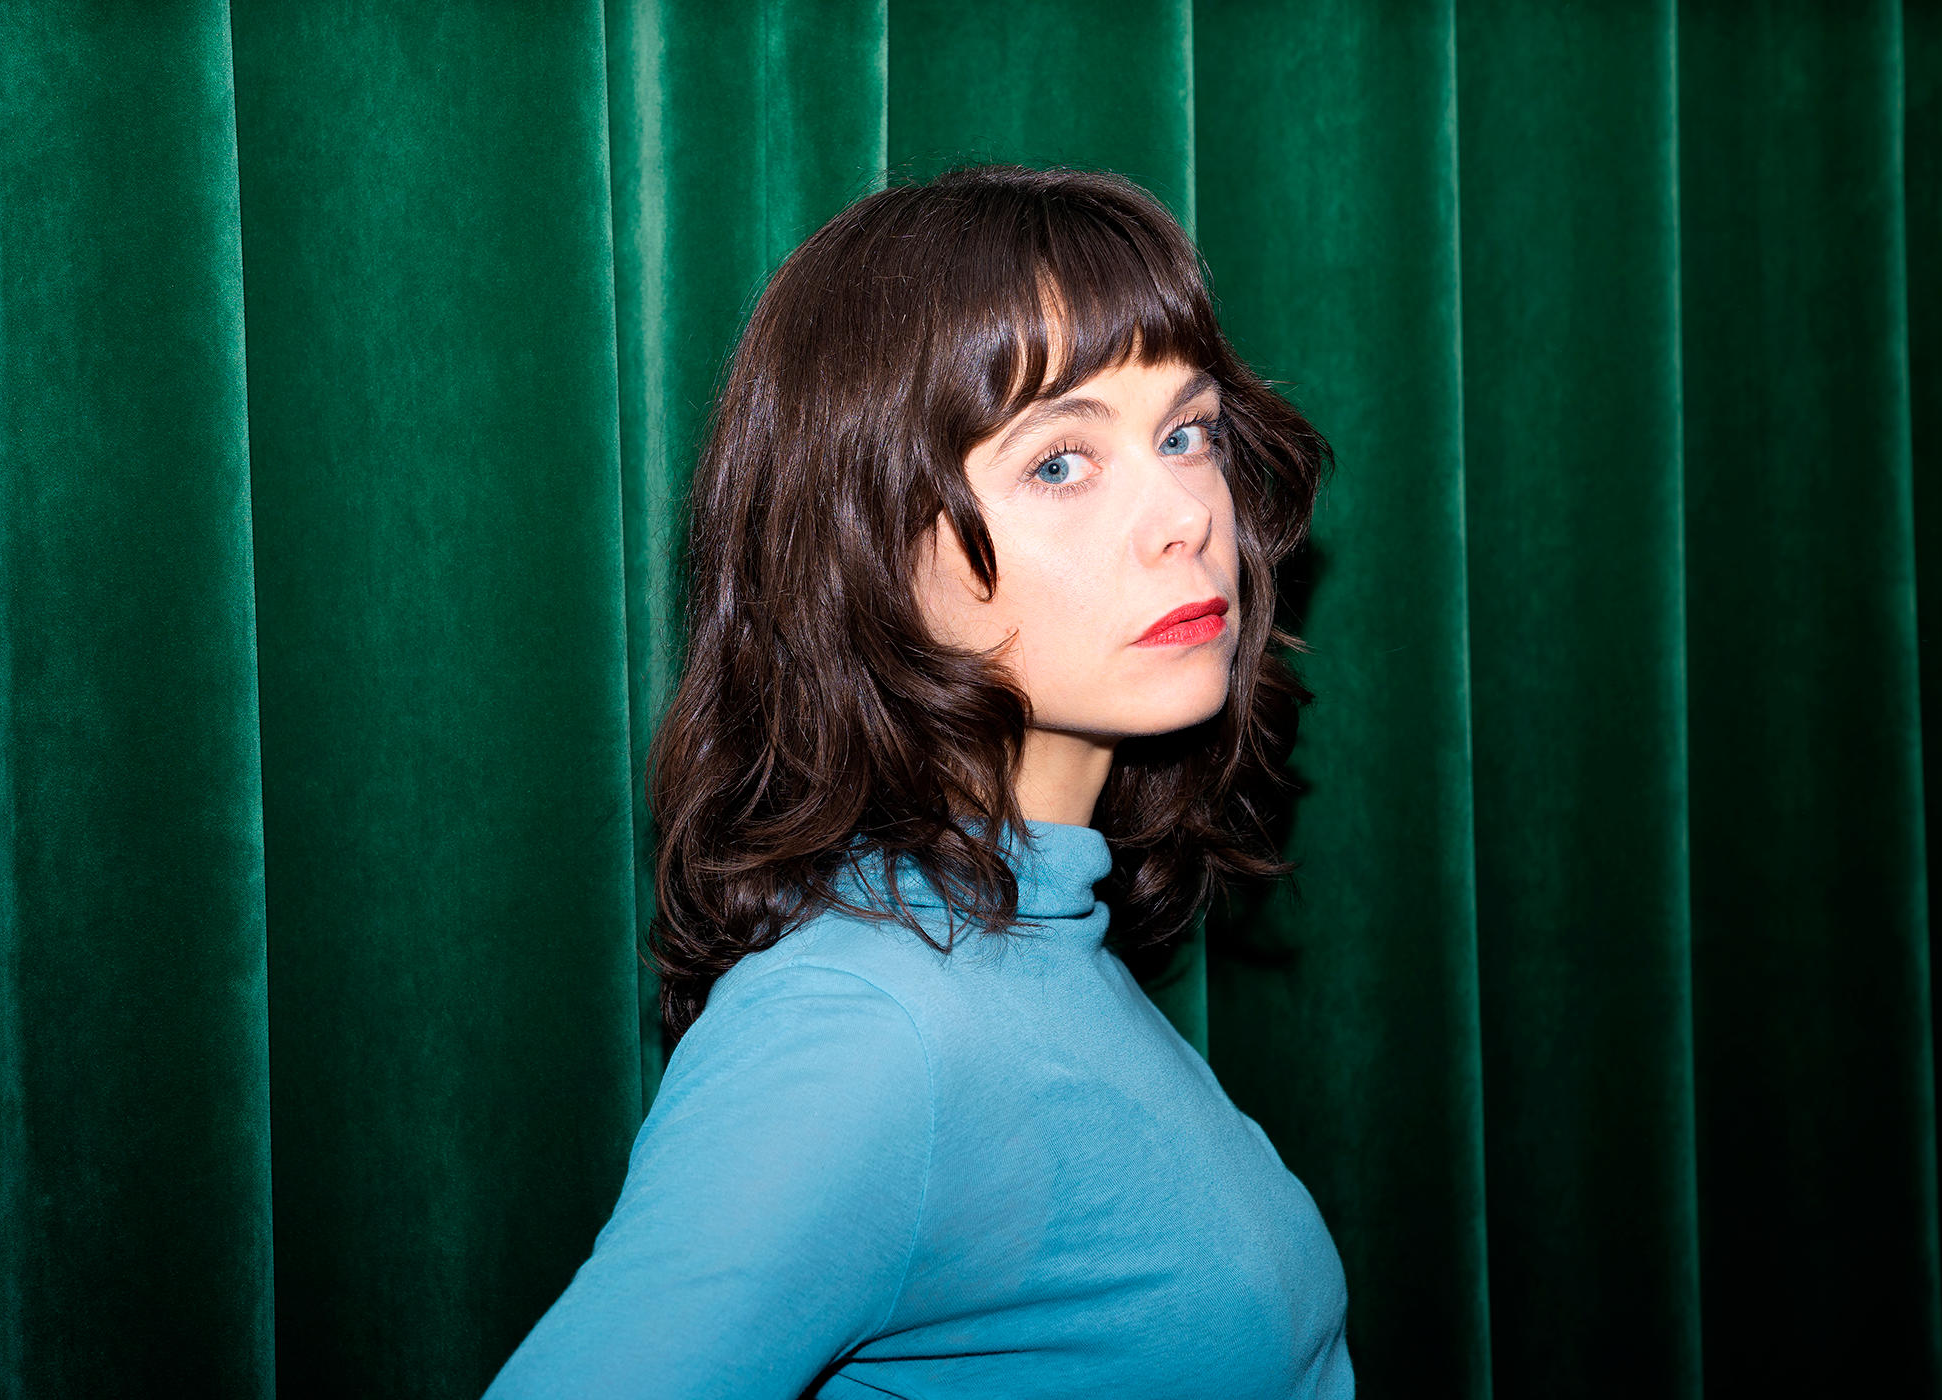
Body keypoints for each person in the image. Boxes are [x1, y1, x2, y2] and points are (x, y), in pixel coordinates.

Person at [486, 165, 1352, 1399]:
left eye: (1186, 433)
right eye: (1060, 463)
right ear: (863, 553)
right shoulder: (861, 1027)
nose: (1184, 517)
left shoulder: (1038, 942)